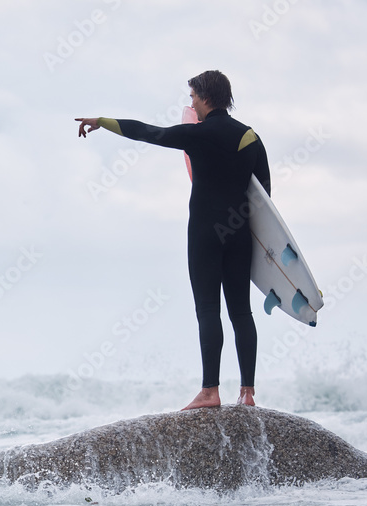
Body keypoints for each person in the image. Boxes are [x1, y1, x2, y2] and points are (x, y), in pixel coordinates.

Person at [75, 70, 271, 410]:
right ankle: (248, 392)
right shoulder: (249, 137)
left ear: (206, 97)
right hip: (239, 234)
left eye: (193, 96)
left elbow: (150, 133)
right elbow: (264, 194)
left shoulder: (199, 134)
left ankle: (210, 391)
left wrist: (103, 122)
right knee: (241, 311)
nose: (191, 102)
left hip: (205, 232)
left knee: (209, 308)